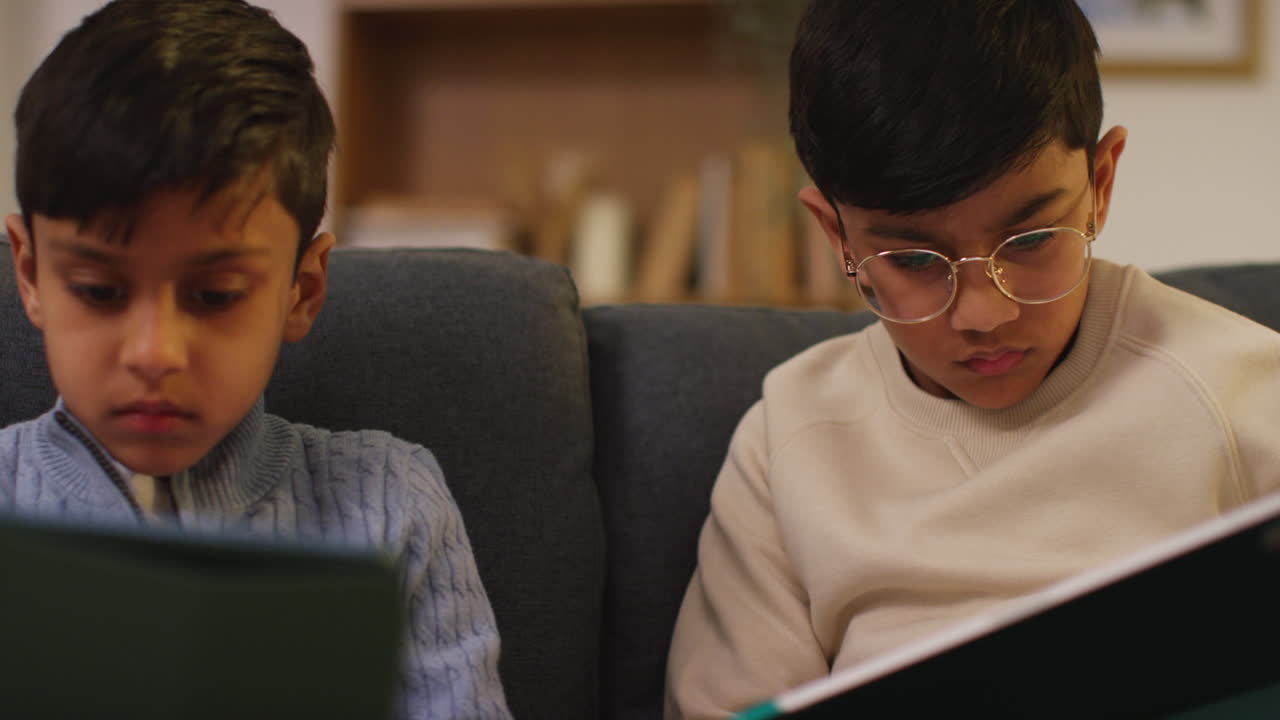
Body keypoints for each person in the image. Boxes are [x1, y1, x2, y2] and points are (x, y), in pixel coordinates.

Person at [664, 1, 1280, 717]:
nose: (985, 315)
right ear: (837, 237)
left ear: (1101, 185)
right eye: (916, 259)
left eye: (1029, 242)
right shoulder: (788, 438)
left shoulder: (1240, 390)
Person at [0, 1, 511, 717]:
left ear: (301, 290)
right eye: (99, 290)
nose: (155, 353)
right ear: (30, 276)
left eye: (214, 295)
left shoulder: (394, 506)